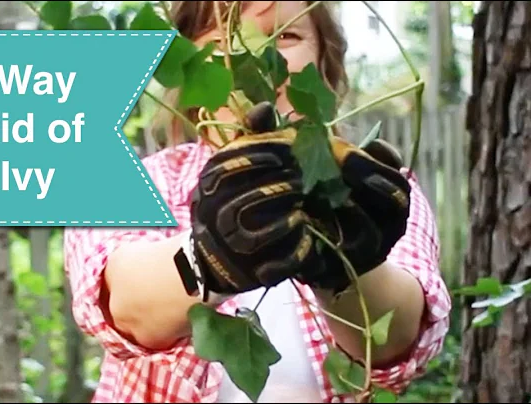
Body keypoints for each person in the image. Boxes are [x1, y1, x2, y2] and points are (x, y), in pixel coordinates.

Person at [63, 1, 451, 403]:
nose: (256, 58)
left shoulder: (378, 187)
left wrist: (349, 268)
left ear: (324, 61)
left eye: (286, 35)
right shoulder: (130, 181)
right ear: (188, 66)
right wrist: (208, 261)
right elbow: (124, 308)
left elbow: (396, 339)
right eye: (222, 40)